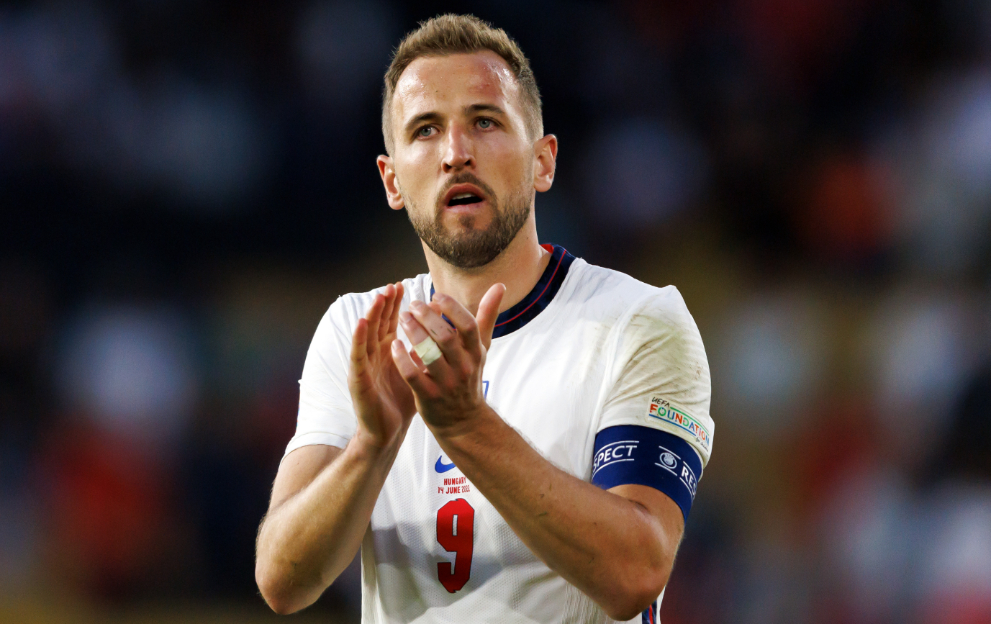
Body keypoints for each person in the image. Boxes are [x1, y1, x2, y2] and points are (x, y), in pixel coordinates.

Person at [255, 14, 713, 624]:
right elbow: (282, 581)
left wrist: (467, 427)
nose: (456, 154)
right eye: (425, 130)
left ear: (543, 162)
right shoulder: (358, 330)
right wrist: (371, 446)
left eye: (485, 121)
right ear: (392, 181)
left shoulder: (637, 322)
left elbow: (636, 572)